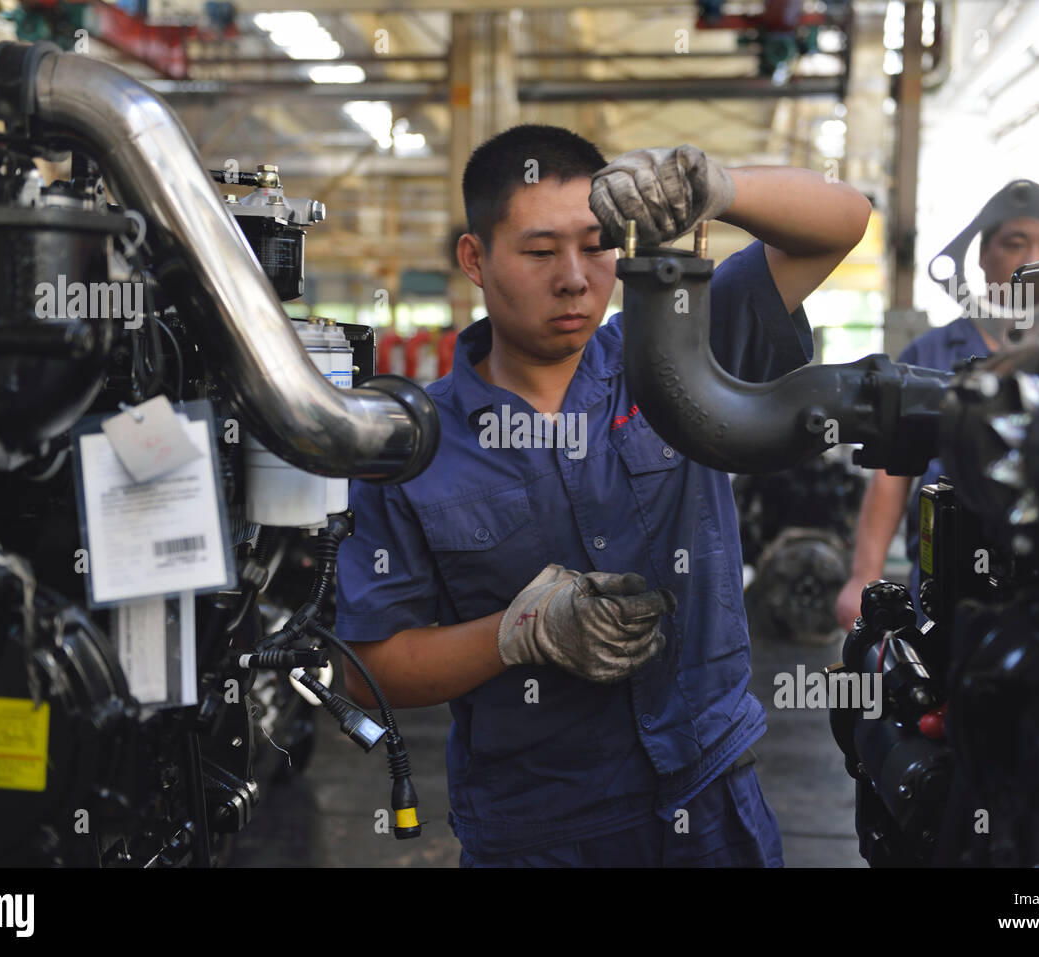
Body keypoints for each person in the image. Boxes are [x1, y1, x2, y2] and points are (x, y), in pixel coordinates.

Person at [336, 124, 871, 867]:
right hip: (539, 830)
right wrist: (516, 633)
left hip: (712, 798)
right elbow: (369, 667)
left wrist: (719, 185)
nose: (575, 277)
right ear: (474, 259)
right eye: (538, 250)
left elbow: (842, 220)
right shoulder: (411, 447)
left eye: (595, 246)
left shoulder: (678, 355)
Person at [834, 189, 1039, 631]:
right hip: (951, 586)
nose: (1032, 258)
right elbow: (892, 472)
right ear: (982, 257)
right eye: (1015, 243)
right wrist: (864, 574)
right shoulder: (933, 352)